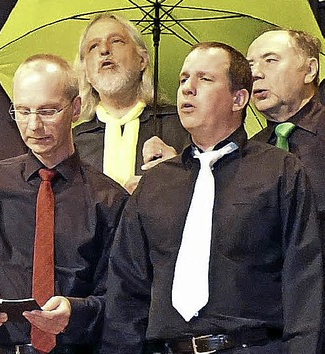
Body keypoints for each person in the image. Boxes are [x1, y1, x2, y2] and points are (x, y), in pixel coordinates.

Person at [101, 42, 324, 353]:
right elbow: (127, 289)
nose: (187, 89)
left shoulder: (280, 170)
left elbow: (304, 280)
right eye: (183, 79)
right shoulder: (156, 183)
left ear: (238, 98)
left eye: (204, 79)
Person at [0, 54, 128, 353]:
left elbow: (121, 297)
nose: (34, 125)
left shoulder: (108, 199)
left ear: (75, 108)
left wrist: (74, 313)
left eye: (48, 111)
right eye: (23, 111)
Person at [72, 13, 189, 193]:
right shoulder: (74, 143)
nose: (104, 50)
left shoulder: (183, 125)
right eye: (93, 46)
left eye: (117, 41)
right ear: (85, 71)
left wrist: (177, 173)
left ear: (142, 60)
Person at [247, 30, 325, 218]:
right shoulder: (249, 152)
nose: (255, 74)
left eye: (270, 60)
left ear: (310, 70)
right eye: (250, 65)